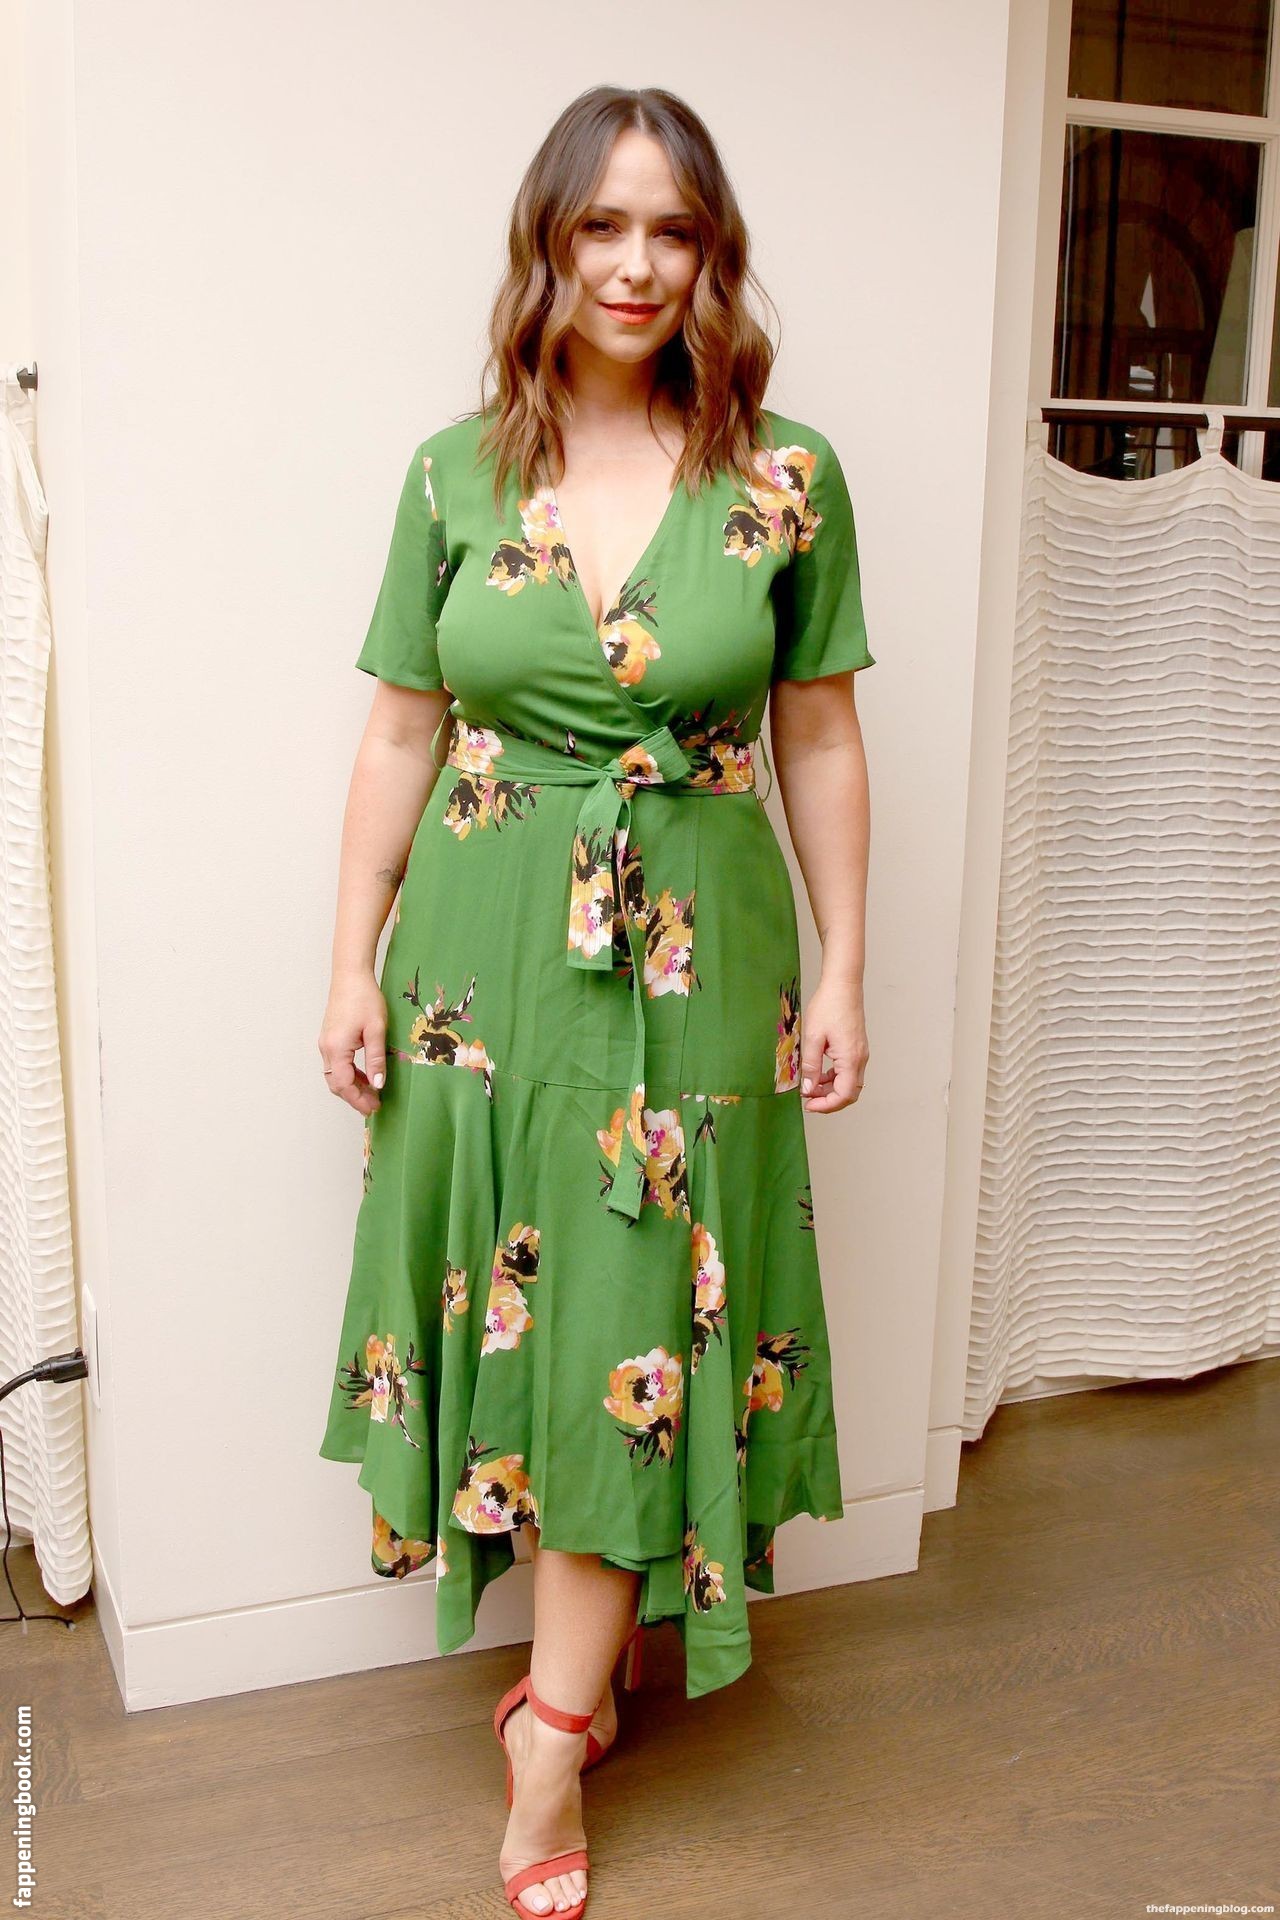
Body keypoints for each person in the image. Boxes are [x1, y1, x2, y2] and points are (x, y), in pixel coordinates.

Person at [317, 83, 875, 1919]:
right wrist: (349, 958)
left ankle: (550, 1735)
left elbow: (817, 733)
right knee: (541, 1313)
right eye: (603, 226)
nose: (638, 265)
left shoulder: (787, 476)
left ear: (713, 256)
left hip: (701, 954)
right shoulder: (452, 474)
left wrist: (845, 967)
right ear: (548, 245)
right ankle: (572, 1684)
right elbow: (402, 730)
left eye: (675, 230)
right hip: (484, 970)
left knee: (636, 1312)